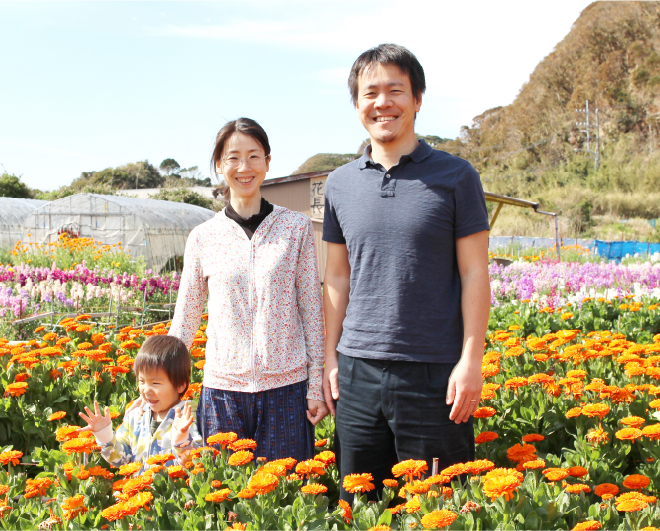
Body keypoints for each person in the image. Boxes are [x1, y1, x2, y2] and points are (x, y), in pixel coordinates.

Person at [322, 44, 491, 501]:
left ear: (417, 99)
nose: (383, 103)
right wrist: (330, 357)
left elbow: (476, 273)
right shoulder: (339, 183)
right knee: (361, 504)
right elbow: (337, 278)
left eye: (395, 90)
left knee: (437, 503)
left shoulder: (456, 177)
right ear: (357, 105)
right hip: (357, 372)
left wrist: (471, 361)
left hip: (435, 371)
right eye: (370, 92)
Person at [167, 118, 327, 461]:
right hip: (223, 392)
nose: (244, 167)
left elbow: (312, 311)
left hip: (287, 389)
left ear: (268, 162)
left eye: (254, 156)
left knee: (285, 498)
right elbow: (186, 317)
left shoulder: (294, 227)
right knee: (228, 500)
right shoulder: (203, 237)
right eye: (233, 157)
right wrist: (161, 385)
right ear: (219, 166)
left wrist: (315, 386)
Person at [80, 335, 201, 470]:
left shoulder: (189, 417)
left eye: (155, 383)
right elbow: (121, 460)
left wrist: (182, 441)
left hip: (171, 489)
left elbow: (196, 464)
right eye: (142, 381)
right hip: (139, 490)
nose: (146, 390)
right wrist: (104, 435)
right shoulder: (136, 417)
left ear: (180, 385)